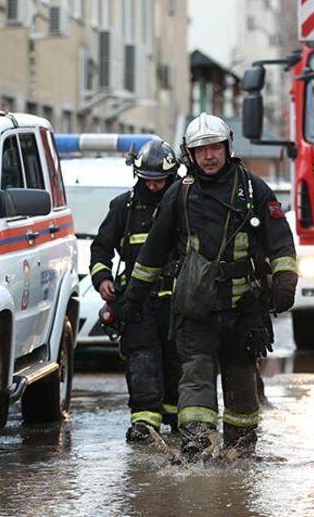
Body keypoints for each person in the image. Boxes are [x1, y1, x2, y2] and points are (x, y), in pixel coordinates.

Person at [124, 113, 298, 462]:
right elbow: (152, 252)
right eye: (201, 150)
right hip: (195, 308)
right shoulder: (179, 194)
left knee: (241, 382)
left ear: (227, 146)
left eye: (215, 147)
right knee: (195, 376)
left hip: (243, 309)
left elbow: (280, 242)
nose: (209, 156)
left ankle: (240, 450)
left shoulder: (254, 189)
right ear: (189, 153)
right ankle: (196, 444)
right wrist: (133, 299)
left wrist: (284, 283)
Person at [89, 139, 182, 444]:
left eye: (160, 181)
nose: (154, 187)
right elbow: (101, 248)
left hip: (179, 301)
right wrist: (102, 279)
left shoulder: (185, 203)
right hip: (137, 303)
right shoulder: (124, 207)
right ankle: (144, 424)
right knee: (142, 362)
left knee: (179, 362)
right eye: (148, 181)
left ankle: (182, 420)